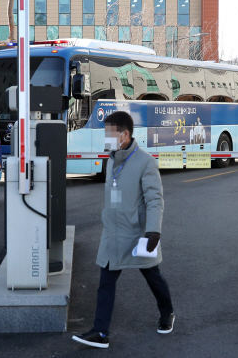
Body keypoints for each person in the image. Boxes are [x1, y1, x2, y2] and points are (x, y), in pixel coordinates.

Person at [72, 111, 174, 349]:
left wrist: (153, 231)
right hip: (113, 234)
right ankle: (101, 332)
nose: (107, 139)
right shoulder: (112, 160)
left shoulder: (145, 162)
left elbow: (154, 200)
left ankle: (167, 312)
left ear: (125, 135)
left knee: (153, 277)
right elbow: (114, 197)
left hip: (138, 234)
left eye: (110, 134)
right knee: (106, 281)